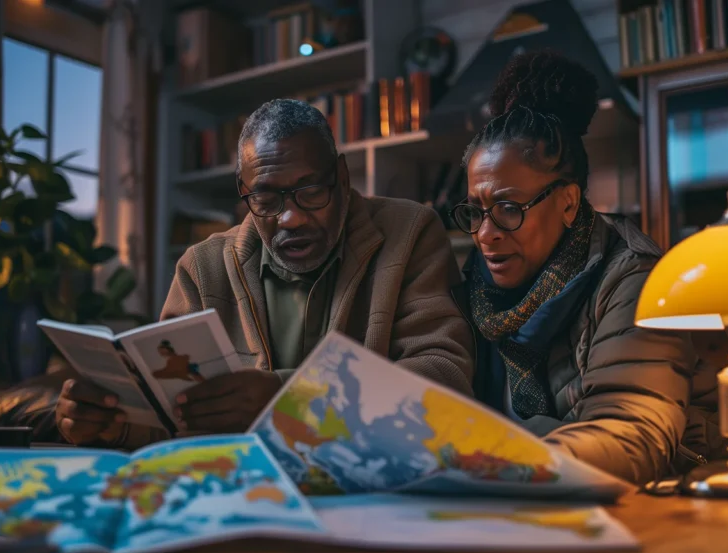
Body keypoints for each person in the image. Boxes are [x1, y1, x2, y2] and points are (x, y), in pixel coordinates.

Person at [56, 98, 475, 448]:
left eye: (311, 191)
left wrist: (285, 396)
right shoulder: (201, 268)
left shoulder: (410, 232)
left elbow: (446, 377)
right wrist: (112, 424)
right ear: (243, 190)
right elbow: (173, 416)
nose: (290, 218)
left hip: (371, 485)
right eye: (266, 198)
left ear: (342, 179)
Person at [450, 50, 722, 485]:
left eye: (507, 208)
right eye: (475, 211)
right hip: (540, 505)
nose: (485, 234)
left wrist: (494, 458)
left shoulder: (635, 279)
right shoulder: (475, 288)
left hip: (670, 506)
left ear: (569, 203)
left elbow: (633, 439)